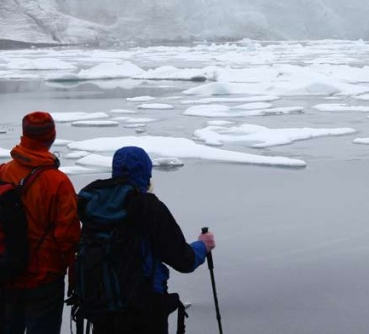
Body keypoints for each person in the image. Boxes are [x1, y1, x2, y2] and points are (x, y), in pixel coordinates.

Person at [77, 146, 216, 334]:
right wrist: (202, 246)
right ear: (145, 172)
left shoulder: (95, 204)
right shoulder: (147, 206)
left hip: (102, 306)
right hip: (144, 307)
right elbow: (183, 260)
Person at [0, 111, 80, 334]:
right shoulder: (58, 182)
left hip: (7, 272)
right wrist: (71, 271)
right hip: (44, 277)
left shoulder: (4, 172)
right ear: (51, 137)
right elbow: (68, 235)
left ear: (24, 135)